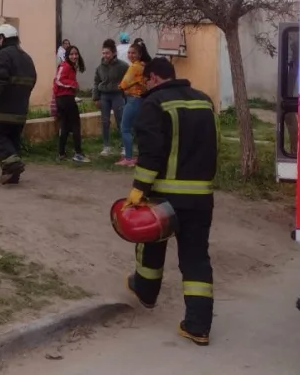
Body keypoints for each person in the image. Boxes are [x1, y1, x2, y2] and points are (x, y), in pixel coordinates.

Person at [124, 57, 218, 347]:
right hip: (201, 196)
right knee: (196, 259)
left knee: (150, 244)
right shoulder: (204, 101)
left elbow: (151, 154)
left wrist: (139, 189)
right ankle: (198, 326)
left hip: (165, 195)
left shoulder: (154, 104)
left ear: (153, 78)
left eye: (144, 81)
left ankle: (146, 292)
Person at [0, 24, 37, 185]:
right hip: (20, 110)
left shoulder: (3, 55)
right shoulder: (26, 57)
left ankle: (12, 165)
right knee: (12, 140)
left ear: (1, 38)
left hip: (1, 109)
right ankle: (11, 175)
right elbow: (32, 82)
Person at [117, 41, 152, 166]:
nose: (130, 55)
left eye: (134, 53)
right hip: (141, 99)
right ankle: (139, 155)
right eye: (129, 53)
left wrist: (122, 87)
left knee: (125, 128)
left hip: (133, 99)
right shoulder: (144, 66)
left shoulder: (134, 67)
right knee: (137, 129)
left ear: (139, 54)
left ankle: (129, 157)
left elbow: (124, 84)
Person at [92, 38, 128, 156]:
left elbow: (128, 81)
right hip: (104, 96)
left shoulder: (123, 66)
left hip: (117, 95)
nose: (105, 55)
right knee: (105, 121)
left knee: (120, 121)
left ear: (114, 53)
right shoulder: (100, 67)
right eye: (103, 53)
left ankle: (124, 146)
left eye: (107, 53)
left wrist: (126, 96)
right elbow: (96, 82)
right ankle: (106, 146)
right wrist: (96, 97)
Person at [54, 45, 88, 163]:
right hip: (65, 99)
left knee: (65, 126)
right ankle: (78, 153)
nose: (74, 56)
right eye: (72, 54)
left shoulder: (71, 67)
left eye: (76, 54)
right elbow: (58, 80)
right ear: (67, 56)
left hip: (64, 99)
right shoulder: (65, 66)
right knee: (75, 125)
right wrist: (73, 84)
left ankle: (61, 153)